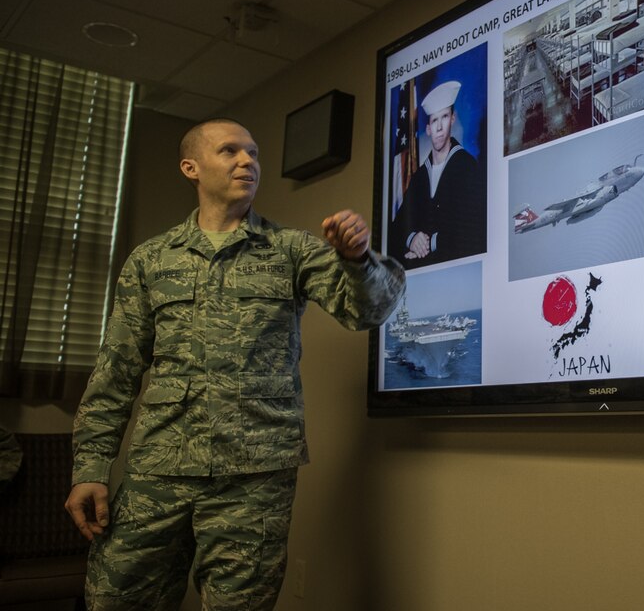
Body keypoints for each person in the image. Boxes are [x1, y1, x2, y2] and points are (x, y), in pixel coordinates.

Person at [65, 119, 406, 610]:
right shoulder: (151, 261)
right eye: (230, 151)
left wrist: (358, 259)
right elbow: (116, 371)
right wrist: (90, 467)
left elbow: (367, 311)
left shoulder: (291, 251)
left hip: (254, 479)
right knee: (117, 597)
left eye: (253, 152)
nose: (247, 161)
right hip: (159, 469)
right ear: (192, 168)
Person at [391, 80, 486, 267]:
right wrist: (412, 239)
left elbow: (474, 228)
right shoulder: (419, 177)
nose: (440, 127)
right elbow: (396, 227)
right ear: (428, 128)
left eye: (444, 117)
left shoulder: (467, 166)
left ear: (452, 118)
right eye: (435, 120)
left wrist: (428, 245)